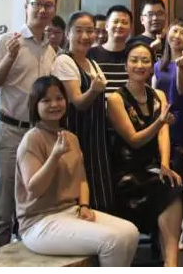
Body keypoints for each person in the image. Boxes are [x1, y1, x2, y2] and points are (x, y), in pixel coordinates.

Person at [16, 76, 139, 267]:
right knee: (112, 241)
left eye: (59, 98)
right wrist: (55, 156)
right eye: (46, 100)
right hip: (39, 222)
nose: (54, 104)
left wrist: (84, 205)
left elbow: (81, 179)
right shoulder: (32, 139)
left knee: (131, 232)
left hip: (70, 212)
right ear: (35, 105)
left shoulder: (70, 138)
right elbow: (34, 189)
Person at [0, 0, 58, 256]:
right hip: (8, 130)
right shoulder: (7, 41)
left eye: (48, 5)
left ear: (54, 11)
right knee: (2, 209)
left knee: (29, 207)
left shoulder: (51, 50)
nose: (42, 10)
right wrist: (10, 57)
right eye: (37, 4)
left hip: (36, 135)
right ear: (26, 7)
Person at [107, 41, 183, 267]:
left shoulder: (158, 94)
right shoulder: (116, 99)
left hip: (153, 165)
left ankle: (171, 263)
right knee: (162, 189)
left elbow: (164, 134)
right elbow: (134, 139)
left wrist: (165, 164)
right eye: (134, 60)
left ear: (152, 66)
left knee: (171, 184)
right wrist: (159, 122)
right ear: (126, 65)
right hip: (126, 169)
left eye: (145, 61)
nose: (140, 65)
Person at [51, 11, 114, 212]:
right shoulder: (64, 61)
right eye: (79, 31)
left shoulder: (92, 63)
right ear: (68, 33)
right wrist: (93, 90)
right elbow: (78, 102)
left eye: (90, 31)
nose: (85, 36)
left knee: (99, 194)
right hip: (77, 135)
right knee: (79, 194)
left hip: (96, 136)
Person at [153, 18, 183, 173]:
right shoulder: (158, 64)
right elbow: (153, 94)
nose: (177, 36)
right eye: (175, 31)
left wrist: (180, 69)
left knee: (180, 169)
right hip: (161, 121)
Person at [88, 5, 133, 99]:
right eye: (115, 21)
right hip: (100, 107)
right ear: (107, 26)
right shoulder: (90, 54)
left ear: (130, 28)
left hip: (128, 107)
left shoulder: (134, 54)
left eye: (125, 23)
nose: (119, 25)